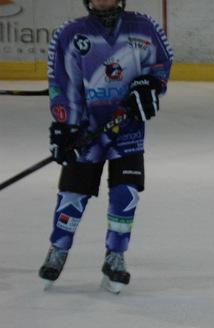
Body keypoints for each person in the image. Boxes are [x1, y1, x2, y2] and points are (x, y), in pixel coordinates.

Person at [39, 0, 173, 292]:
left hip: (128, 128)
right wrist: (65, 126)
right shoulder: (71, 34)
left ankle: (116, 255)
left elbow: (162, 63)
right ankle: (58, 248)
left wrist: (149, 84)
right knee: (73, 193)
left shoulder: (144, 27)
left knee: (126, 193)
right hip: (87, 131)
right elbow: (62, 84)